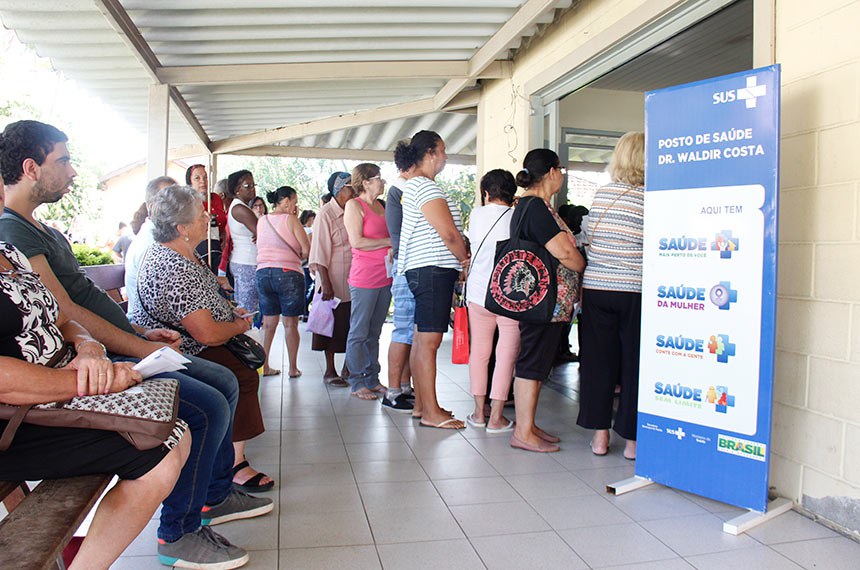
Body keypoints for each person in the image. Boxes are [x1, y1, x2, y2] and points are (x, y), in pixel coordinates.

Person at [0, 121, 271, 569]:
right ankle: (181, 529)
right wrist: (116, 355)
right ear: (30, 168)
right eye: (64, 160)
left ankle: (207, 501)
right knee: (203, 405)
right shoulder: (17, 233)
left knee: (218, 387)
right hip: (53, 394)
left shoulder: (23, 239)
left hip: (91, 361)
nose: (72, 171)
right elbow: (65, 310)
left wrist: (113, 343)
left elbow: (62, 313)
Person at [0, 183, 189, 570]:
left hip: (53, 393)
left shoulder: (9, 252)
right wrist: (94, 381)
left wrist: (89, 348)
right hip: (14, 417)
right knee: (160, 445)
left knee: (173, 427)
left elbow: (63, 317)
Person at [132, 185, 274, 493]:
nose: (208, 217)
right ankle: (233, 466)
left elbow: (205, 300)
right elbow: (206, 334)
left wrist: (228, 308)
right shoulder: (173, 265)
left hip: (188, 343)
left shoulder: (181, 255)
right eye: (201, 214)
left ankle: (230, 461)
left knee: (241, 368)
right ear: (182, 227)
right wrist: (237, 326)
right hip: (181, 350)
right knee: (241, 373)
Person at [508, 149, 585, 452]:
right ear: (552, 172)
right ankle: (523, 433)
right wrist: (583, 266)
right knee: (532, 362)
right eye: (561, 170)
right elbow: (563, 252)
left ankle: (528, 425)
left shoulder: (531, 205)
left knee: (536, 362)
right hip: (543, 303)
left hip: (545, 302)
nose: (561, 177)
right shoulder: (536, 208)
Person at [576, 131, 645, 461]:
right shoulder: (651, 199)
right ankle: (632, 442)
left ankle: (600, 438)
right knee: (634, 364)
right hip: (635, 290)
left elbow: (588, 235)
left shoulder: (602, 195)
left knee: (597, 363)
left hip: (597, 288)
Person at [397, 130, 469, 429]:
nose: (445, 156)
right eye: (442, 150)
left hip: (423, 270)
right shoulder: (425, 188)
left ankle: (422, 406)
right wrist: (464, 259)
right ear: (430, 153)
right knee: (429, 342)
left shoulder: (416, 186)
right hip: (433, 270)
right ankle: (430, 412)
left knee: (420, 340)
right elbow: (449, 233)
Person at [465, 169, 519, 432]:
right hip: (508, 294)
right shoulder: (517, 216)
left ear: (486, 193)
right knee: (506, 353)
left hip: (478, 293)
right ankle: (497, 417)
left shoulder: (476, 215)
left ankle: (478, 413)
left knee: (480, 353)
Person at [343, 163, 392, 400]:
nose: (382, 182)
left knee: (375, 331)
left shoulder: (381, 206)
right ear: (365, 182)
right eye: (378, 178)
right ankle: (356, 381)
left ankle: (373, 378)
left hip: (385, 275)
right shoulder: (354, 205)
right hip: (364, 276)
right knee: (359, 331)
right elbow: (357, 242)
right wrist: (388, 243)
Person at [256, 186, 309, 379]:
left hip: (262, 273)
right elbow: (306, 249)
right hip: (288, 273)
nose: (295, 206)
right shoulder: (291, 219)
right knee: (290, 324)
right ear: (286, 201)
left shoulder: (262, 220)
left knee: (268, 324)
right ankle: (293, 368)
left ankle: (265, 365)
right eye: (294, 201)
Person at [309, 172, 355, 386]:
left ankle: (348, 367)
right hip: (332, 281)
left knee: (350, 324)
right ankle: (330, 371)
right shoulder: (325, 214)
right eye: (349, 187)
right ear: (338, 190)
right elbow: (319, 252)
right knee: (330, 326)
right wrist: (325, 283)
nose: (352, 191)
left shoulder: (353, 210)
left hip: (353, 279)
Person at [382, 162, 417, 413]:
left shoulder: (405, 189)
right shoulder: (400, 190)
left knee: (410, 332)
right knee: (403, 331)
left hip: (411, 267)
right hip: (405, 268)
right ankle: (393, 391)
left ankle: (404, 386)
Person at [226, 170, 259, 313]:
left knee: (246, 307)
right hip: (247, 262)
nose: (253, 189)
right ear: (237, 190)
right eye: (248, 186)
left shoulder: (242, 207)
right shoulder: (239, 208)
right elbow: (263, 232)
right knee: (247, 310)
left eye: (253, 185)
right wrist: (261, 233)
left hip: (246, 261)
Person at [187, 164, 227, 272]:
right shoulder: (188, 202)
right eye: (197, 178)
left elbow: (222, 221)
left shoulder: (216, 199)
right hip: (198, 250)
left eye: (205, 177)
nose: (202, 181)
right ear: (190, 182)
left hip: (217, 248)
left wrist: (224, 233)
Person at [299, 209, 316, 317]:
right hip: (306, 264)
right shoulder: (309, 231)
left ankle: (303, 310)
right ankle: (304, 309)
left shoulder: (299, 230)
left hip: (298, 263)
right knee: (311, 287)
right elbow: (311, 248)